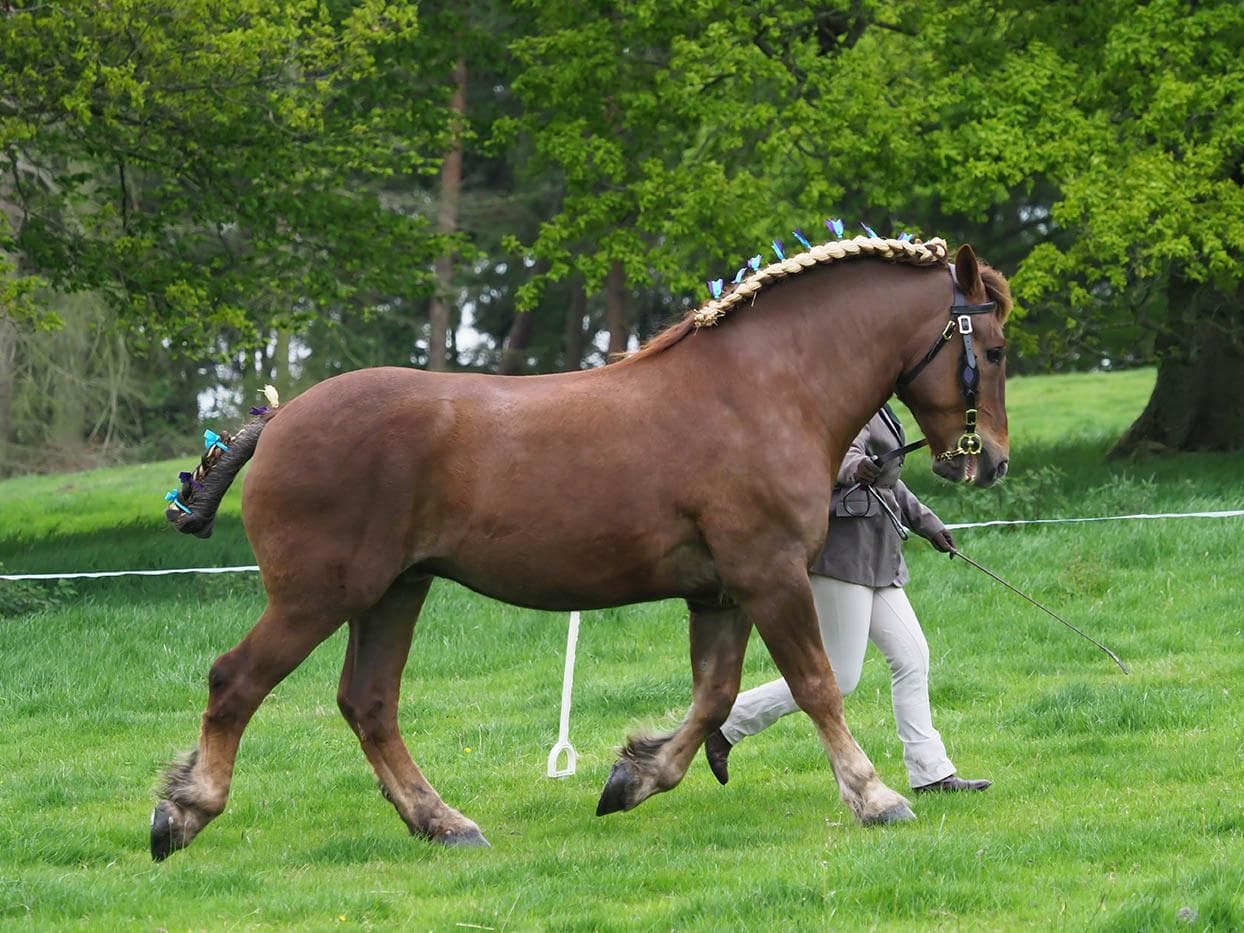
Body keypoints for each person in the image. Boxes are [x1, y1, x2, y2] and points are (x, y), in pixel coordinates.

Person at [705, 404, 990, 794]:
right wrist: (855, 467)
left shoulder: (881, 407)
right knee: (840, 677)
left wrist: (928, 524)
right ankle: (726, 723)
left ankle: (931, 774)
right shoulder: (848, 403)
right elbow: (840, 454)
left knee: (912, 656)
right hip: (843, 557)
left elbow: (889, 481)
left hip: (881, 559)